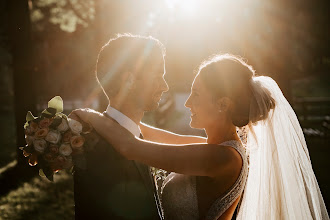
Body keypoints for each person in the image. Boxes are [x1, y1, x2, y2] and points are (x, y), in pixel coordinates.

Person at [71, 54, 329, 220]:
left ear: (222, 104)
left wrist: (88, 115)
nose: (188, 103)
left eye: (196, 94)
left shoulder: (222, 158)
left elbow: (131, 147)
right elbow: (146, 133)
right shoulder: (213, 149)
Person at [72, 33, 168, 220]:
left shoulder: (135, 137)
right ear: (129, 81)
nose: (164, 86)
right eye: (158, 76)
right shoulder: (99, 150)